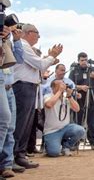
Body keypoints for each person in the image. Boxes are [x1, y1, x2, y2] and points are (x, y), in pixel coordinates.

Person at [12, 24, 62, 167]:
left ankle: (20, 155)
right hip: (22, 86)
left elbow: (39, 65)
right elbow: (40, 64)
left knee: (27, 125)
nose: (39, 36)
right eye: (37, 33)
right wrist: (52, 56)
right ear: (28, 33)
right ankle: (15, 156)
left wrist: (50, 59)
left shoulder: (26, 47)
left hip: (28, 87)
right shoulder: (22, 44)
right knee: (20, 124)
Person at [0, 25, 24, 180]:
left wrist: (14, 40)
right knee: (3, 123)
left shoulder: (7, 41)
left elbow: (18, 59)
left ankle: (7, 164)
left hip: (8, 87)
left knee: (9, 126)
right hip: (3, 85)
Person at [43, 80, 85, 157]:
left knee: (80, 130)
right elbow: (49, 104)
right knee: (54, 152)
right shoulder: (48, 96)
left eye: (63, 85)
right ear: (53, 87)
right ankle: (48, 145)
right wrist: (59, 91)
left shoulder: (66, 98)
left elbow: (77, 109)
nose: (63, 87)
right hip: (52, 131)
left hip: (65, 128)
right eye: (60, 85)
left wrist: (69, 96)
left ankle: (66, 147)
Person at [69, 52, 94, 150]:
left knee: (92, 122)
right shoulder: (74, 71)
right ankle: (76, 142)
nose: (84, 62)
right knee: (78, 121)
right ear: (78, 61)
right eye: (82, 60)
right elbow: (70, 85)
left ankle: (93, 143)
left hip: (92, 99)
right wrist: (80, 87)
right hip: (79, 99)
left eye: (86, 60)